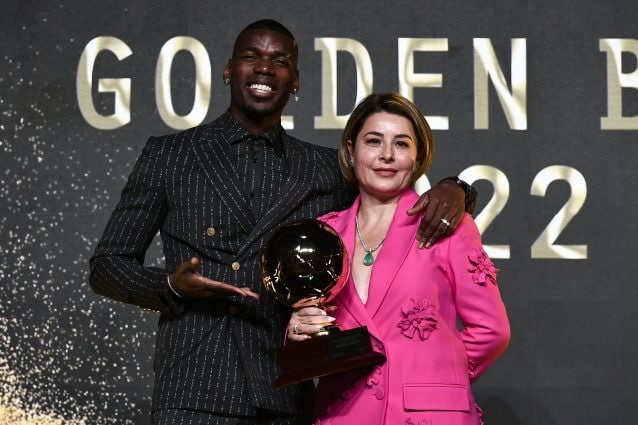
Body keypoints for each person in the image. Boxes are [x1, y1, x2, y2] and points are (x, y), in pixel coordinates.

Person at [89, 20, 475, 425]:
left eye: (280, 60)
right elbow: (106, 266)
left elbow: (394, 201)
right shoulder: (171, 155)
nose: (263, 68)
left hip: (286, 386)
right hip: (194, 385)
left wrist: (458, 188)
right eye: (250, 56)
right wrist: (170, 286)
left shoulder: (324, 169)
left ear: (295, 82)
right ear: (227, 70)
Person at [287, 93, 510, 425]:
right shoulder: (323, 234)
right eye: (374, 141)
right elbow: (311, 336)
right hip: (344, 415)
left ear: (418, 156)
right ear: (351, 150)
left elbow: (492, 330)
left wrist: (435, 379)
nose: (387, 155)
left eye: (402, 144)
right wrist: (297, 333)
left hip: (429, 416)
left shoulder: (449, 225)